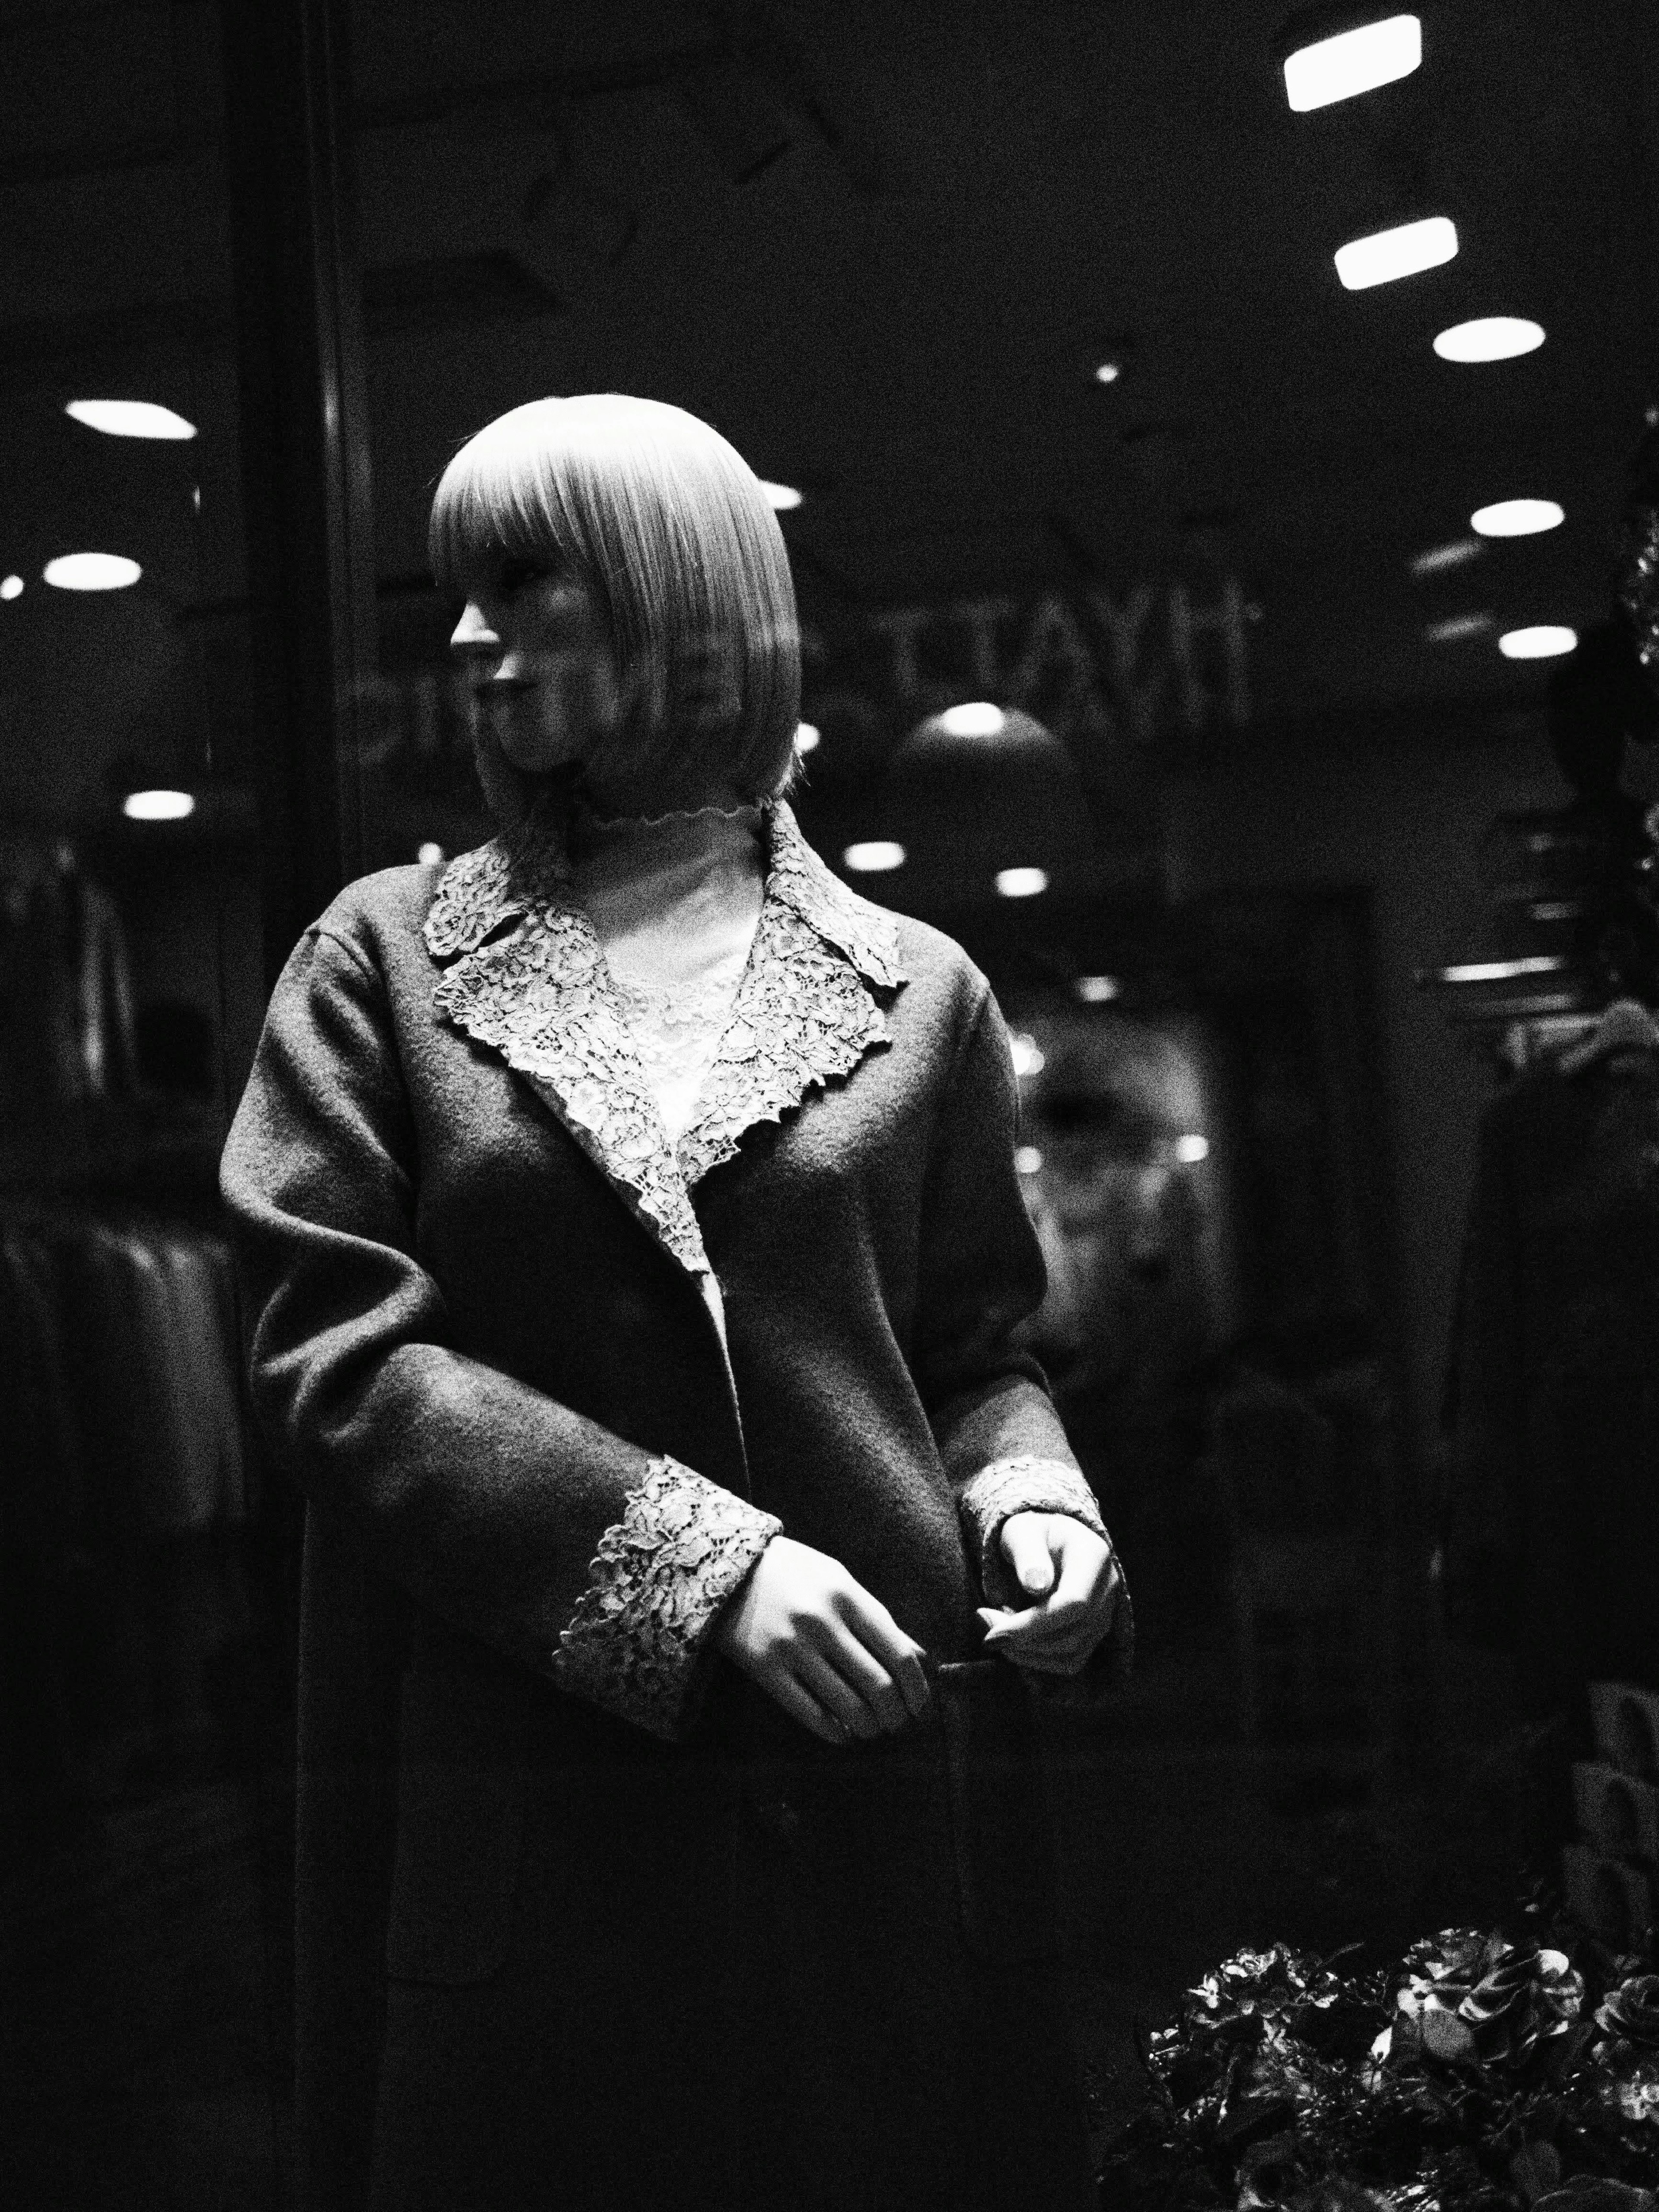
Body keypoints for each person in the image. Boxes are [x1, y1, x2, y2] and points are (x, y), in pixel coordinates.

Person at [220, 393, 1131, 2212]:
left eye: (527, 580)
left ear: (672, 600)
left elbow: (972, 1353)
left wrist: (1037, 1497)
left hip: (868, 1819)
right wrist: (695, 1567)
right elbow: (334, 1360)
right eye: (461, 589)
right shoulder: (382, 965)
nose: (469, 635)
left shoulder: (916, 989)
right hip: (540, 1843)